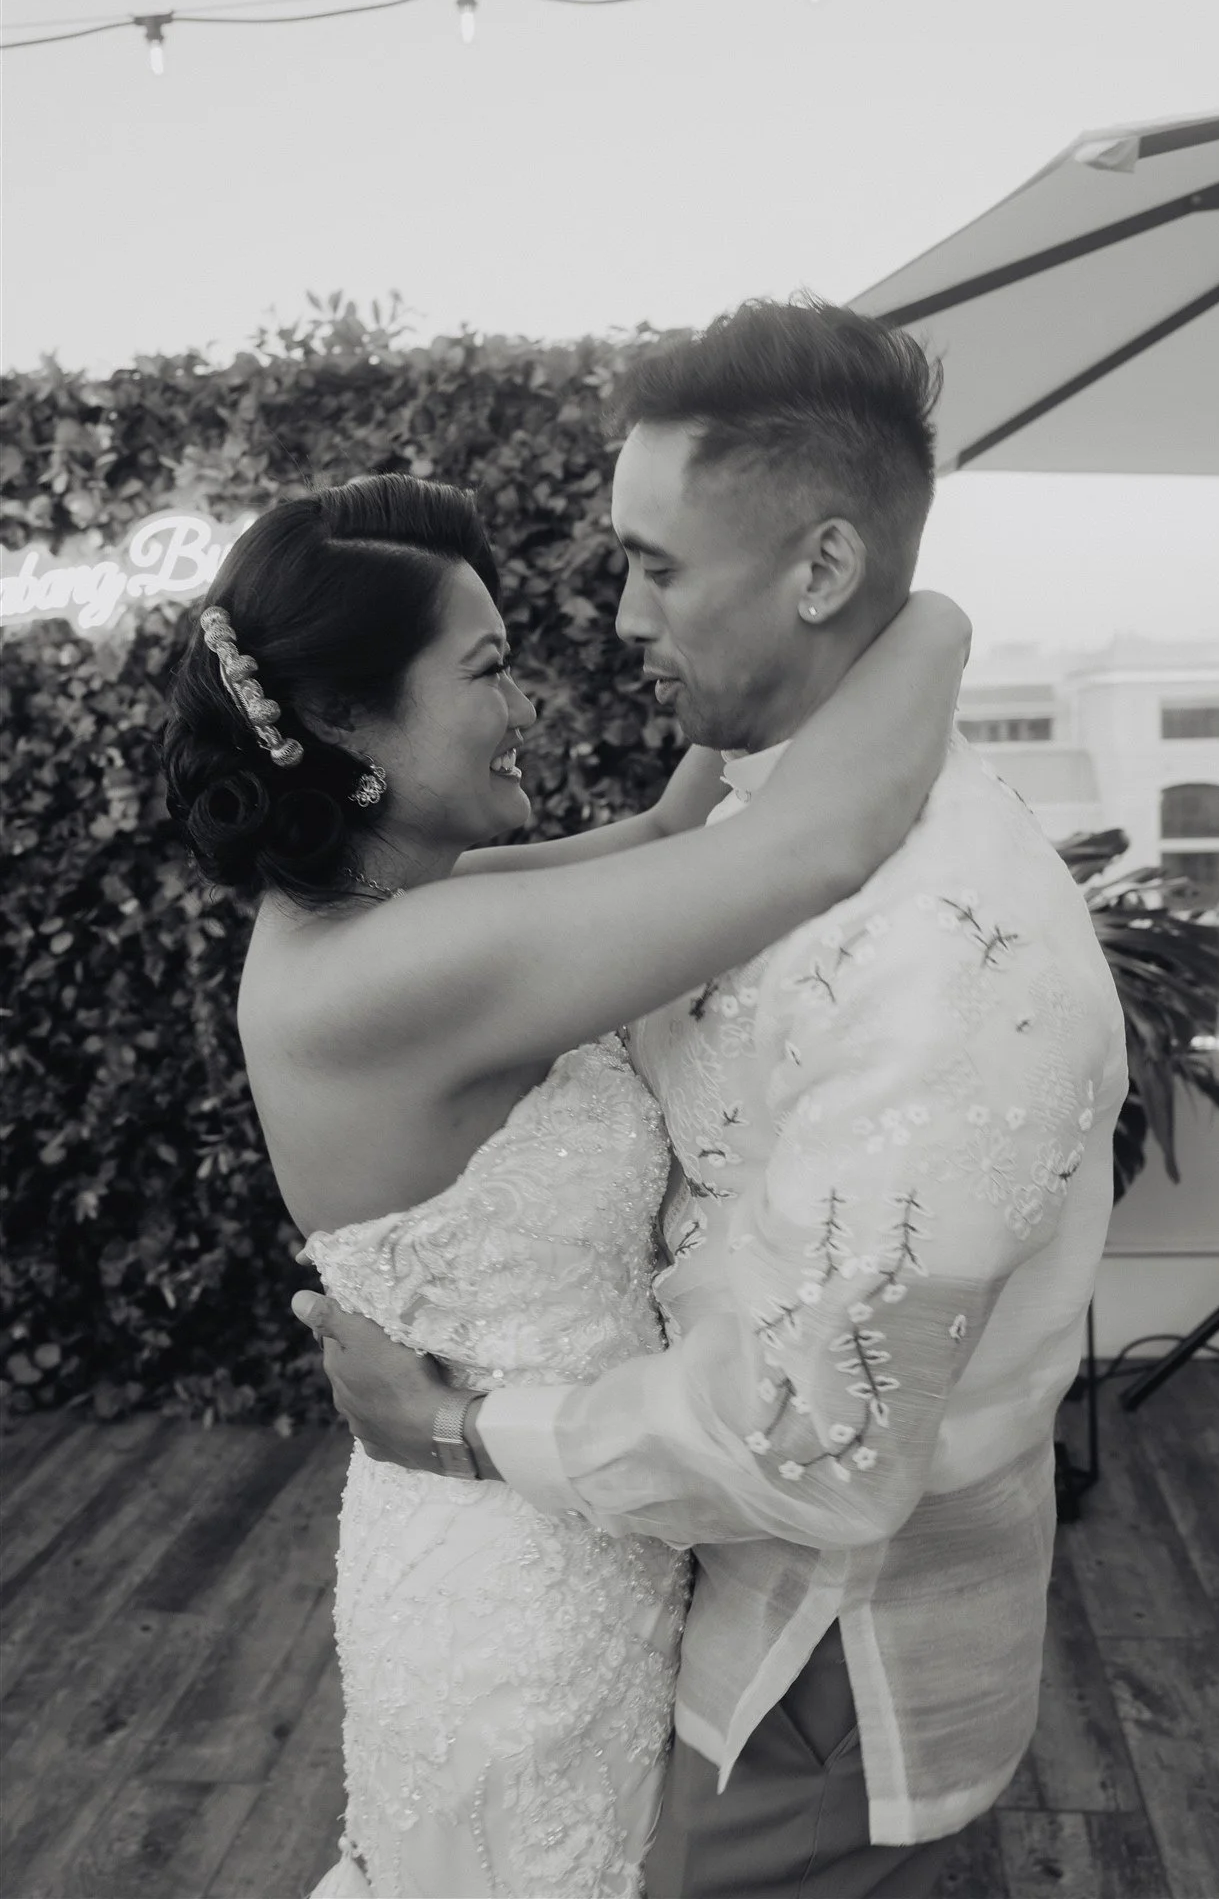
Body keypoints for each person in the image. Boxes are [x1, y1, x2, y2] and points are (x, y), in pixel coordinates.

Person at [303, 299, 1130, 1899]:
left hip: (824, 1661)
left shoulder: (964, 959)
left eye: (654, 566)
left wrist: (462, 1427)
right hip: (645, 1579)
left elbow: (815, 1447)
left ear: (819, 572)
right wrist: (931, 622)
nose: (614, 619)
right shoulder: (754, 814)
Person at [161, 465, 970, 1899]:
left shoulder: (403, 912)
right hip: (512, 1601)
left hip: (559, 1518)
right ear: (347, 724)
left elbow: (667, 843)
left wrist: (768, 653)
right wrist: (926, 609)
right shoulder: (397, 972)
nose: (525, 703)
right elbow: (820, 848)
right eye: (487, 669)